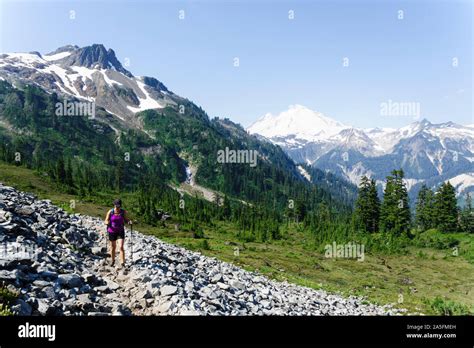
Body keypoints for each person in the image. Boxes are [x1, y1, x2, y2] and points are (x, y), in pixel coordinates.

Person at [104, 198, 131, 267]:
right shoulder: (110, 212)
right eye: (116, 206)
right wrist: (107, 223)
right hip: (112, 231)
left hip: (120, 231)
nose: (118, 207)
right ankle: (113, 261)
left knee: (121, 246)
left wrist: (129, 221)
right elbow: (106, 220)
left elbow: (126, 219)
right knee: (113, 247)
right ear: (114, 205)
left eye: (119, 206)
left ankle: (122, 263)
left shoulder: (123, 212)